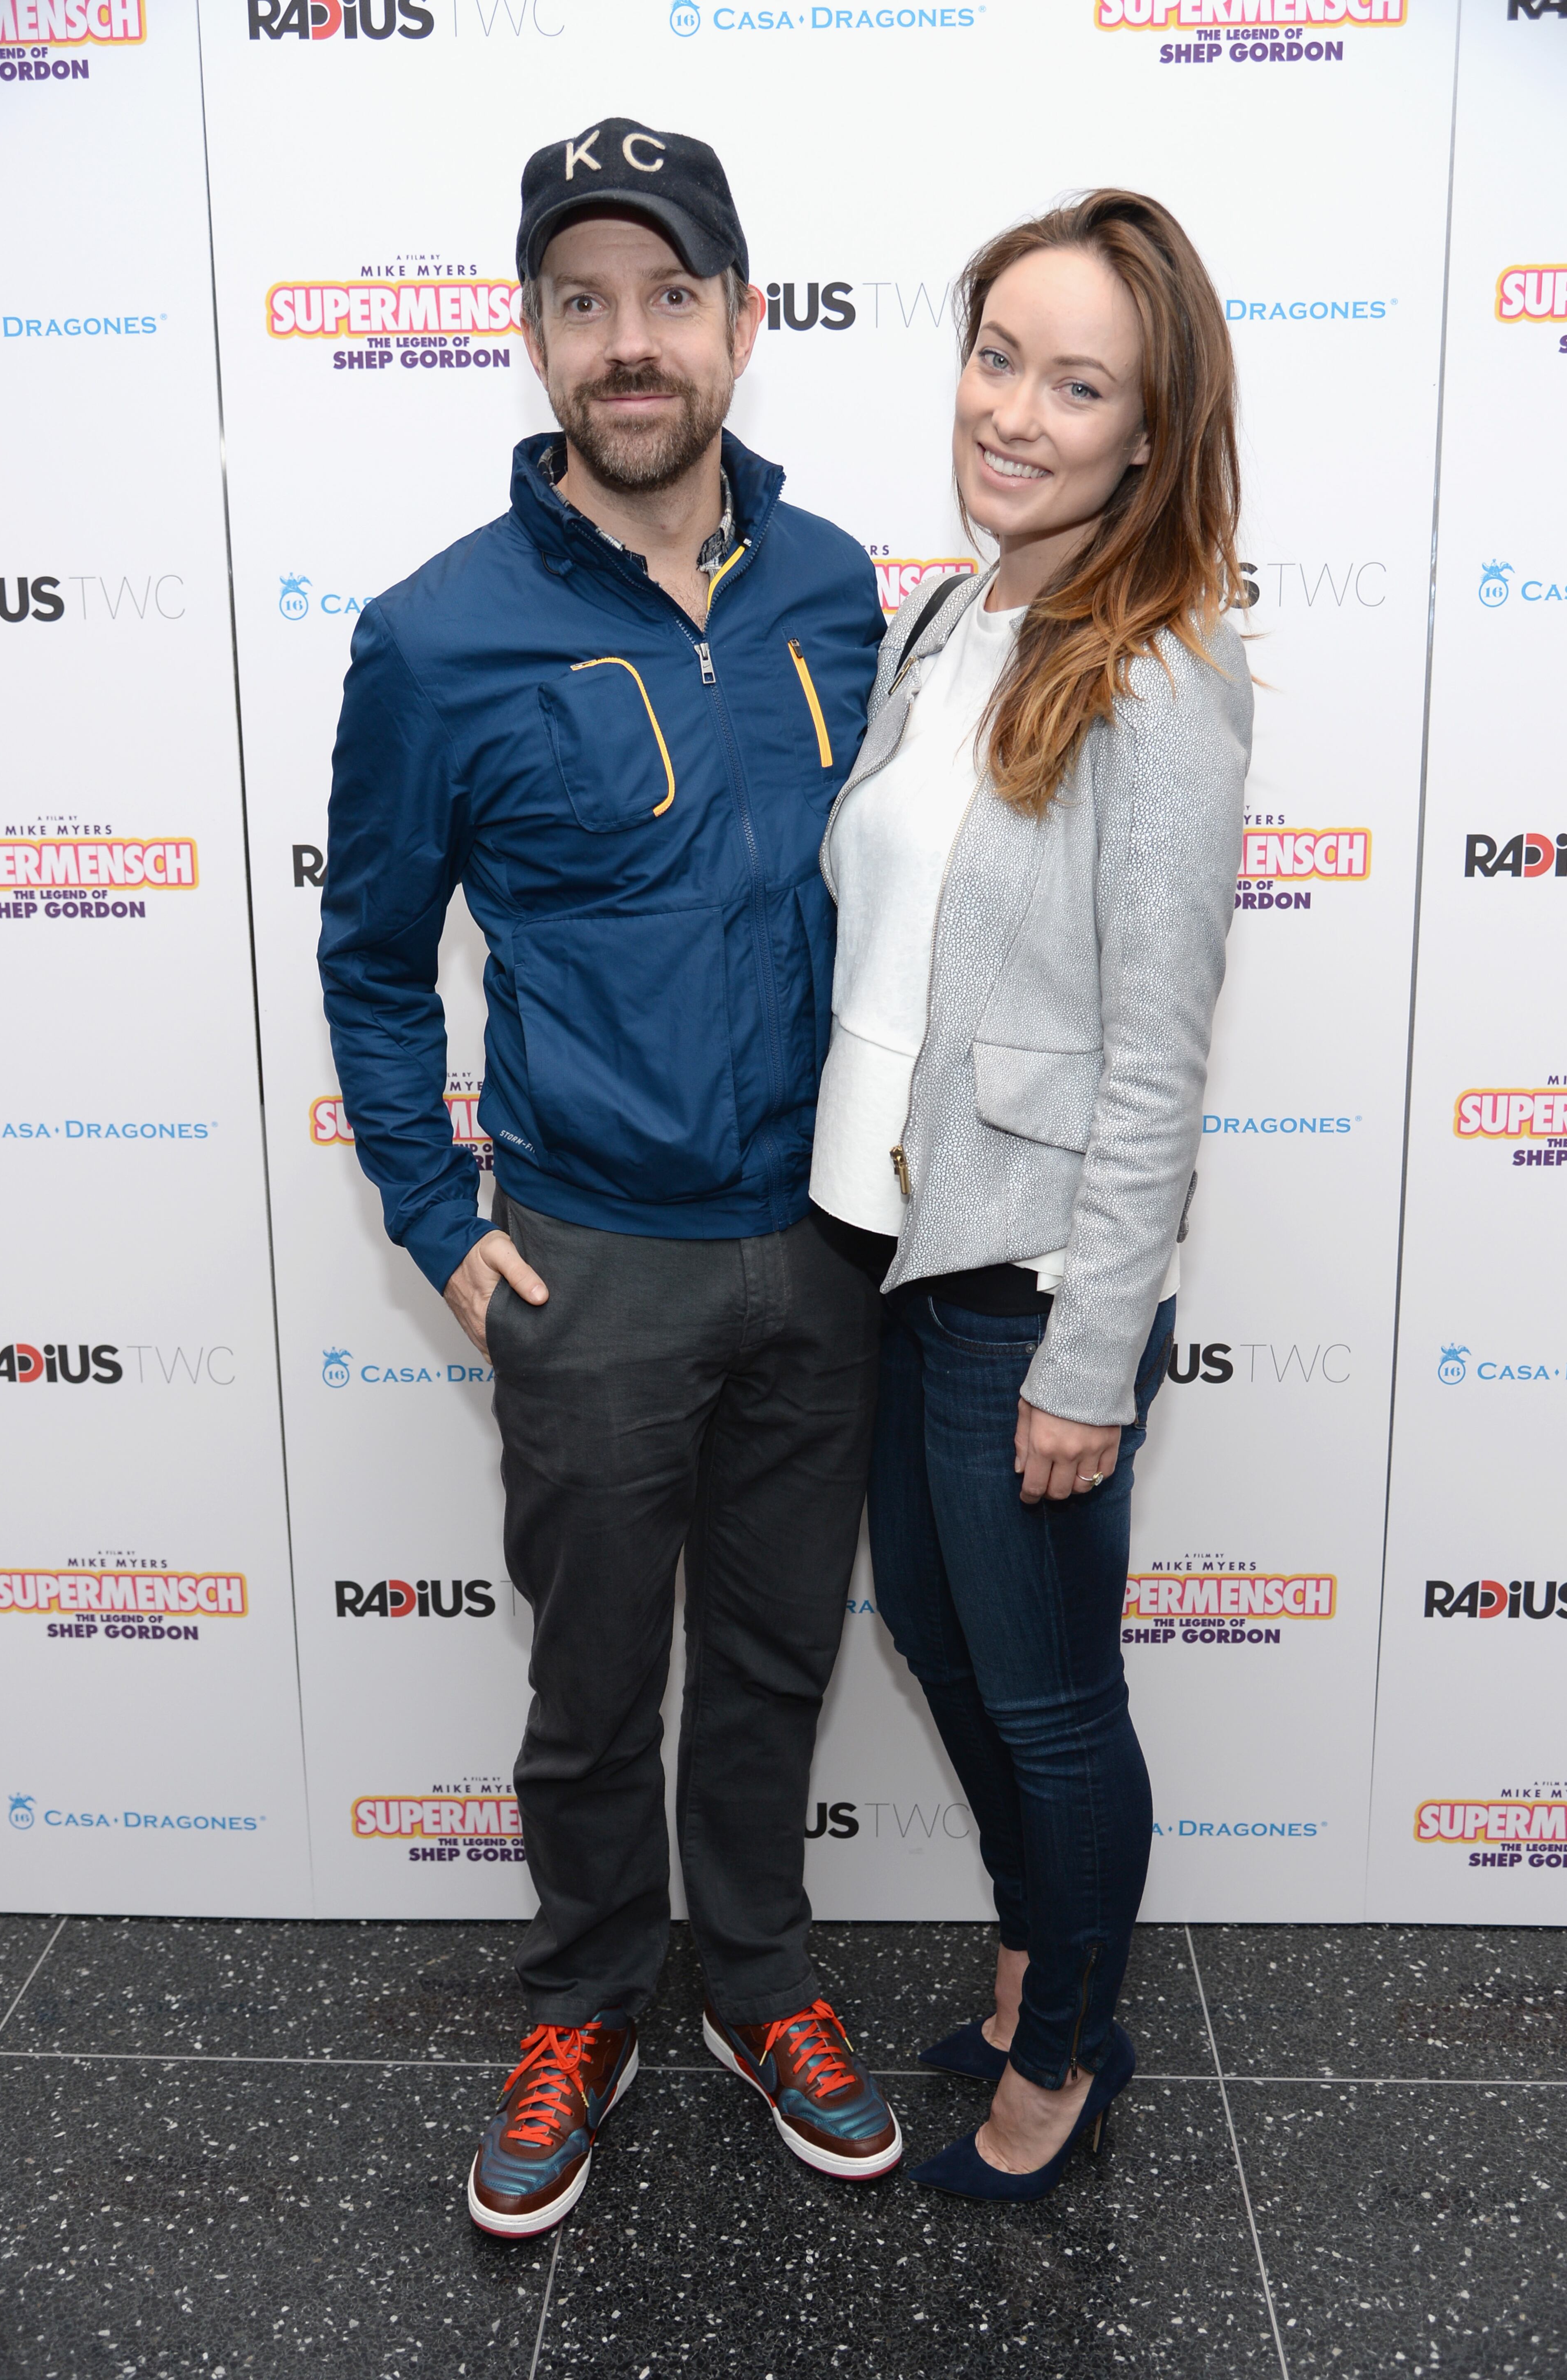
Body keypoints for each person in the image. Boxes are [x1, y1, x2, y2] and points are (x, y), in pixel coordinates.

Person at [319, 117, 902, 2240]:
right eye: (584, 302)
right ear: (536, 333)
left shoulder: (839, 589)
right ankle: (585, 2000)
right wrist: (438, 1222)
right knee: (589, 1688)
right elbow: (374, 959)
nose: (628, 343)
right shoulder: (434, 636)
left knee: (772, 1659)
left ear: (742, 322)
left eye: (668, 297)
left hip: (826, 1249)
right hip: (588, 1266)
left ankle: (757, 1977)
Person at [809, 190, 1252, 2202]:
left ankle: (1063, 2055)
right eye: (999, 358)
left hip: (1033, 1285)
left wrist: (1091, 1355)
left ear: (1150, 433)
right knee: (949, 1649)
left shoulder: (1158, 674)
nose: (1015, 412)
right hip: (900, 1249)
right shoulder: (951, 613)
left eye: (1078, 387)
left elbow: (1161, 1055)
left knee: (1056, 1706)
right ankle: (1026, 1970)